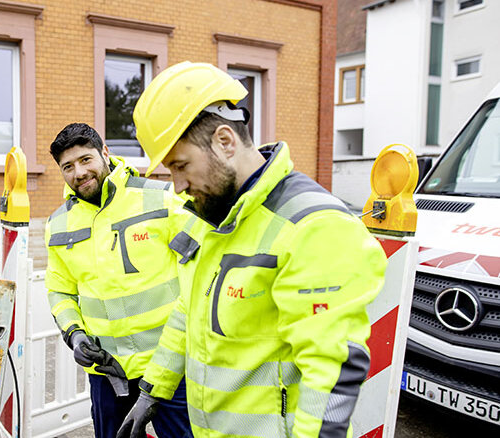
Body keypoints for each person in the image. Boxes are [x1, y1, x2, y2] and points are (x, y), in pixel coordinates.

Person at [117, 62, 387, 438]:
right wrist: (154, 390)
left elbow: (331, 371)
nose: (176, 186)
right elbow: (187, 313)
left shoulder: (314, 226)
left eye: (181, 166)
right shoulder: (208, 216)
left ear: (225, 141)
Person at [44, 123, 193, 438]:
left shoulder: (162, 200)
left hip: (170, 366)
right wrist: (75, 335)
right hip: (107, 370)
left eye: (86, 160)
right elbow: (60, 291)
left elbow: (200, 273)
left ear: (106, 154)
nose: (79, 172)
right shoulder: (58, 224)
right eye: (67, 167)